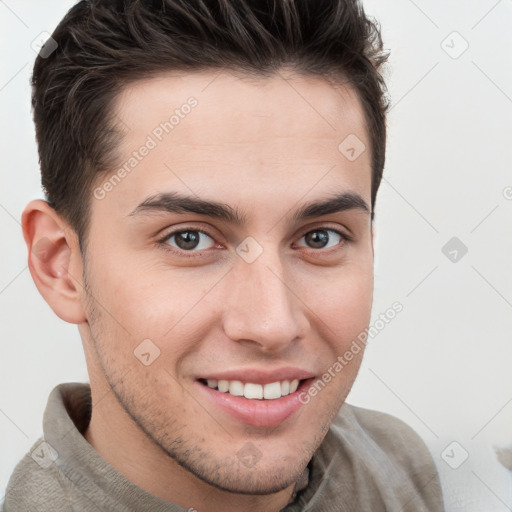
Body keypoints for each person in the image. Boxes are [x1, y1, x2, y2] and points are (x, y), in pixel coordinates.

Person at [2, 0, 444, 510]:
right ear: (60, 266)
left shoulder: (397, 464)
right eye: (188, 238)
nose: (272, 324)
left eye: (320, 237)